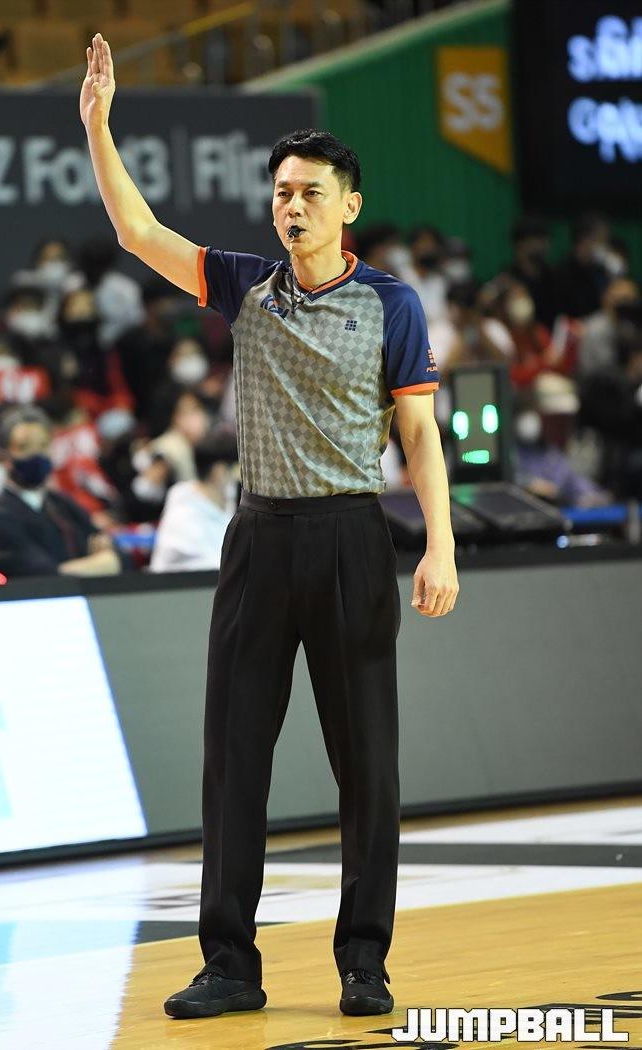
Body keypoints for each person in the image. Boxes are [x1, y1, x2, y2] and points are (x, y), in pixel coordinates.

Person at [82, 31, 458, 1020]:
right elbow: (137, 231)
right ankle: (230, 966)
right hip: (256, 540)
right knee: (233, 762)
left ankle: (363, 961)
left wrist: (441, 544)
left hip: (350, 539)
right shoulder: (245, 283)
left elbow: (419, 435)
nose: (292, 206)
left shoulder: (391, 305)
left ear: (349, 207)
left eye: (310, 193)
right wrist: (98, 125)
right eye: (282, 192)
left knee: (365, 764)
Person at [0, 405, 124, 577]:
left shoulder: (63, 505)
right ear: (3, 457)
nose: (36, 454)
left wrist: (109, 557)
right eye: (24, 447)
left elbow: (120, 556)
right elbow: (43, 575)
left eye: (43, 445)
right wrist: (103, 563)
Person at [150, 429, 238, 572]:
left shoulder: (230, 499)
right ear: (219, 472)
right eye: (237, 469)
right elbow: (209, 568)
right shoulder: (183, 513)